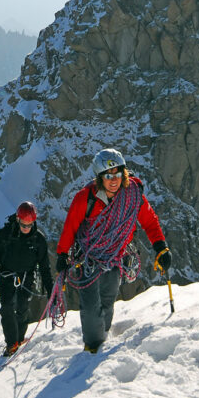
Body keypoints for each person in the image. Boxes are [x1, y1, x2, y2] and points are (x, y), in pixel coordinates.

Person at [55, 148, 171, 354]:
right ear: (100, 178)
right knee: (91, 308)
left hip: (115, 257)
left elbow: (149, 221)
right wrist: (62, 254)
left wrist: (160, 246)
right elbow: (71, 226)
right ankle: (92, 349)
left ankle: (102, 339)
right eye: (108, 175)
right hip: (88, 259)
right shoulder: (85, 199)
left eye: (118, 174)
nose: (114, 180)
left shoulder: (132, 196)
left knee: (107, 303)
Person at [0, 201, 53, 357]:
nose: (26, 228)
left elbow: (45, 267)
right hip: (6, 276)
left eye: (29, 225)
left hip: (26, 277)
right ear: (17, 220)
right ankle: (11, 344)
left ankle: (18, 338)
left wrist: (51, 289)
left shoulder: (38, 240)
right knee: (7, 308)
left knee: (23, 309)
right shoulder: (4, 235)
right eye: (23, 224)